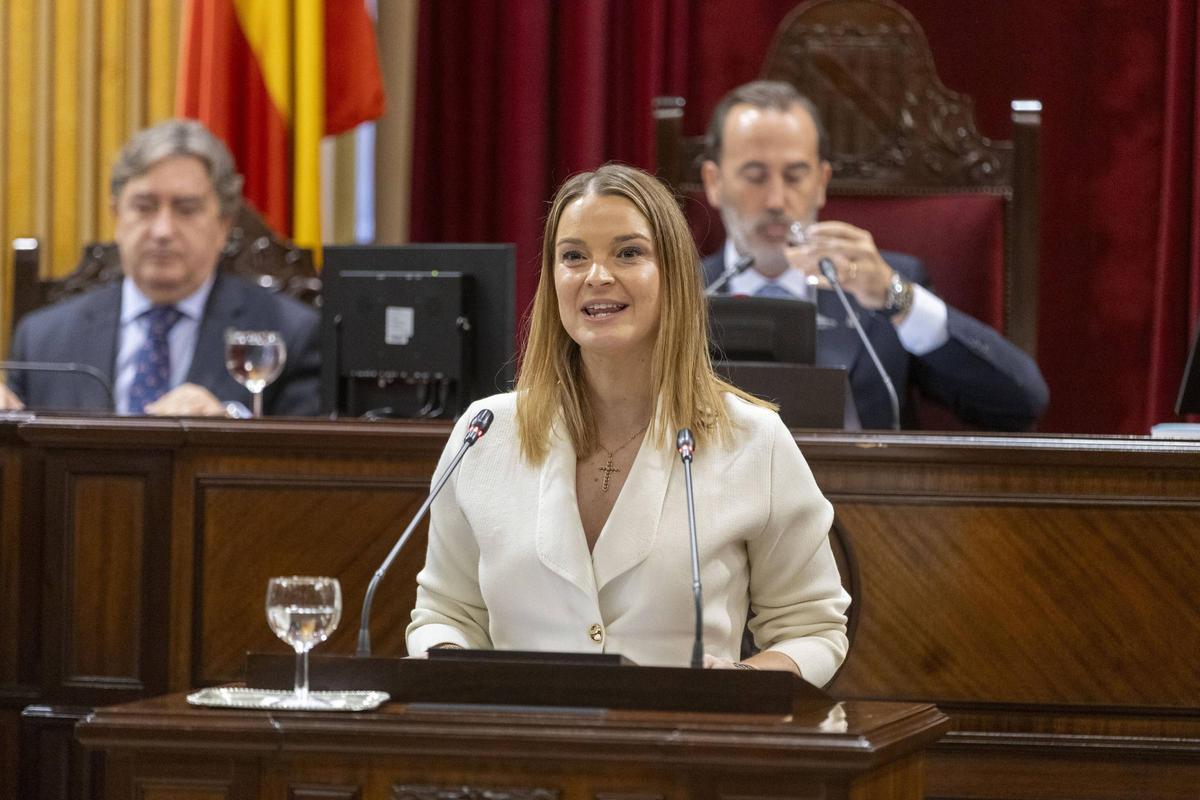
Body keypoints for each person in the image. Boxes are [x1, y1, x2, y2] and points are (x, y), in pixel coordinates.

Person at [406, 164, 850, 684]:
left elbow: (812, 629)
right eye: (573, 256)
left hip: (682, 750)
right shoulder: (483, 434)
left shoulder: (753, 440)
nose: (596, 275)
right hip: (521, 751)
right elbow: (445, 615)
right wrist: (453, 666)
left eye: (628, 252)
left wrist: (737, 686)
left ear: (675, 276)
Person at [700, 80, 1049, 430]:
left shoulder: (886, 288)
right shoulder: (677, 291)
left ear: (821, 183)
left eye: (795, 176)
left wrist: (898, 299)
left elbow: (1019, 404)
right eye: (755, 176)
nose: (776, 200)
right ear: (714, 182)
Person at [1, 119, 320, 417]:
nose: (163, 230)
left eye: (186, 209)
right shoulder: (43, 338)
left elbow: (303, 465)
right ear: (117, 215)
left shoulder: (290, 335)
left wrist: (229, 431)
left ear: (223, 224)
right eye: (144, 207)